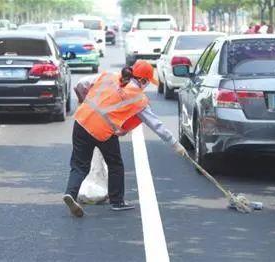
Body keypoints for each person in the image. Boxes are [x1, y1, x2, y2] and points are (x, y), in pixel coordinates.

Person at [63, 60, 187, 217]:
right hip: (103, 131)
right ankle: (117, 201)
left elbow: (81, 83)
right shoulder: (139, 99)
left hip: (81, 120)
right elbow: (156, 125)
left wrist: (83, 101)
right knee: (115, 164)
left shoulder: (109, 76)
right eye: (147, 82)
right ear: (142, 80)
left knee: (79, 165)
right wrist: (175, 145)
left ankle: (70, 194)